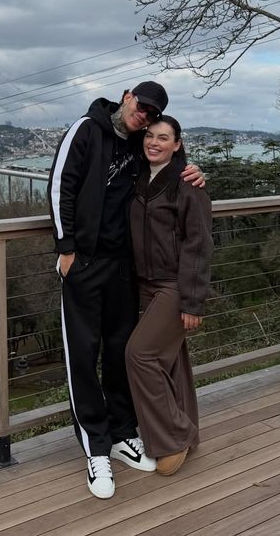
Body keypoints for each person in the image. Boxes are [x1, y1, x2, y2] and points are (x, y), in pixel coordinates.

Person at [47, 82, 205, 499]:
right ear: (126, 96)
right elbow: (61, 185)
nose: (144, 116)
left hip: (123, 268)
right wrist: (66, 249)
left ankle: (121, 432)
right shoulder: (86, 129)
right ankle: (96, 447)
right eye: (142, 106)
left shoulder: (140, 141)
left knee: (120, 351)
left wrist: (193, 170)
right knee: (83, 355)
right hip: (84, 263)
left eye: (152, 114)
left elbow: (166, 161)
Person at [126, 115, 213, 476]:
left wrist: (193, 301)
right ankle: (187, 430)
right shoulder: (136, 177)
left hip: (175, 285)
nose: (154, 142)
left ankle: (173, 437)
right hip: (145, 284)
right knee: (172, 359)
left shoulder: (188, 184)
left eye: (163, 138)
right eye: (150, 135)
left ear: (177, 145)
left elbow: (199, 244)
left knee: (139, 354)